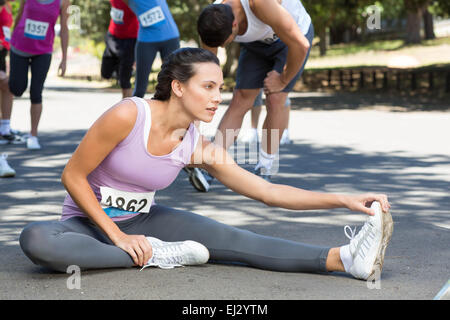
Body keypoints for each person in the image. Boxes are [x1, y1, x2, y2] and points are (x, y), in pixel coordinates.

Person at [19, 48, 393, 282]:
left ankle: (343, 260)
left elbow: (267, 191)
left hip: (145, 221)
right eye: (209, 87)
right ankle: (153, 254)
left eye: (220, 87)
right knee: (37, 240)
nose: (219, 98)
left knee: (237, 240)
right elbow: (72, 175)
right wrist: (119, 238)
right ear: (178, 87)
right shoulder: (128, 115)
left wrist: (344, 199)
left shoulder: (197, 145)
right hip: (86, 224)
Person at [186, 0, 313, 191]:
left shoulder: (260, 4)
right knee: (241, 98)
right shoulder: (213, 21)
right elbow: (205, 80)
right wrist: (191, 139)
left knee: (275, 97)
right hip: (256, 44)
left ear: (234, 25)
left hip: (292, 40)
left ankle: (265, 166)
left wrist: (283, 80)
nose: (222, 47)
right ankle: (212, 165)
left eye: (225, 44)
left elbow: (301, 45)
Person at [8, 0, 69, 150]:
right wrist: (10, 40)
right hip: (19, 47)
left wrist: (64, 58)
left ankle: (33, 135)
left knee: (36, 92)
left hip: (43, 51)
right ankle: (4, 125)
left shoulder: (62, 2)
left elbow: (64, 29)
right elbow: (19, 15)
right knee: (16, 88)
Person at [123, 0, 180, 98]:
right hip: (146, 40)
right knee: (140, 88)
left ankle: (170, 111)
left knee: (172, 80)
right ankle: (135, 111)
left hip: (170, 36)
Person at [101, 0, 138, 99]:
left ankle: (127, 108)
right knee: (105, 73)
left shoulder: (134, 3)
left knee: (124, 80)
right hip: (113, 36)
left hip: (130, 38)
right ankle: (120, 66)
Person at [0, 0, 22, 145]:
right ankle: (4, 128)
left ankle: (5, 127)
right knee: (8, 86)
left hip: (4, 52)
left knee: (6, 89)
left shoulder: (7, 5)